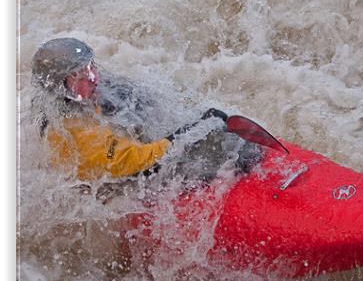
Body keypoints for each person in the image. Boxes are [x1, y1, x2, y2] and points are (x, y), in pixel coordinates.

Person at [31, 37, 261, 182]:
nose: (93, 78)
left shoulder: (81, 99)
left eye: (91, 67)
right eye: (78, 74)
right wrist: (192, 131)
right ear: (59, 86)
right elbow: (139, 165)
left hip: (130, 160)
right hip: (125, 183)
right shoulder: (75, 131)